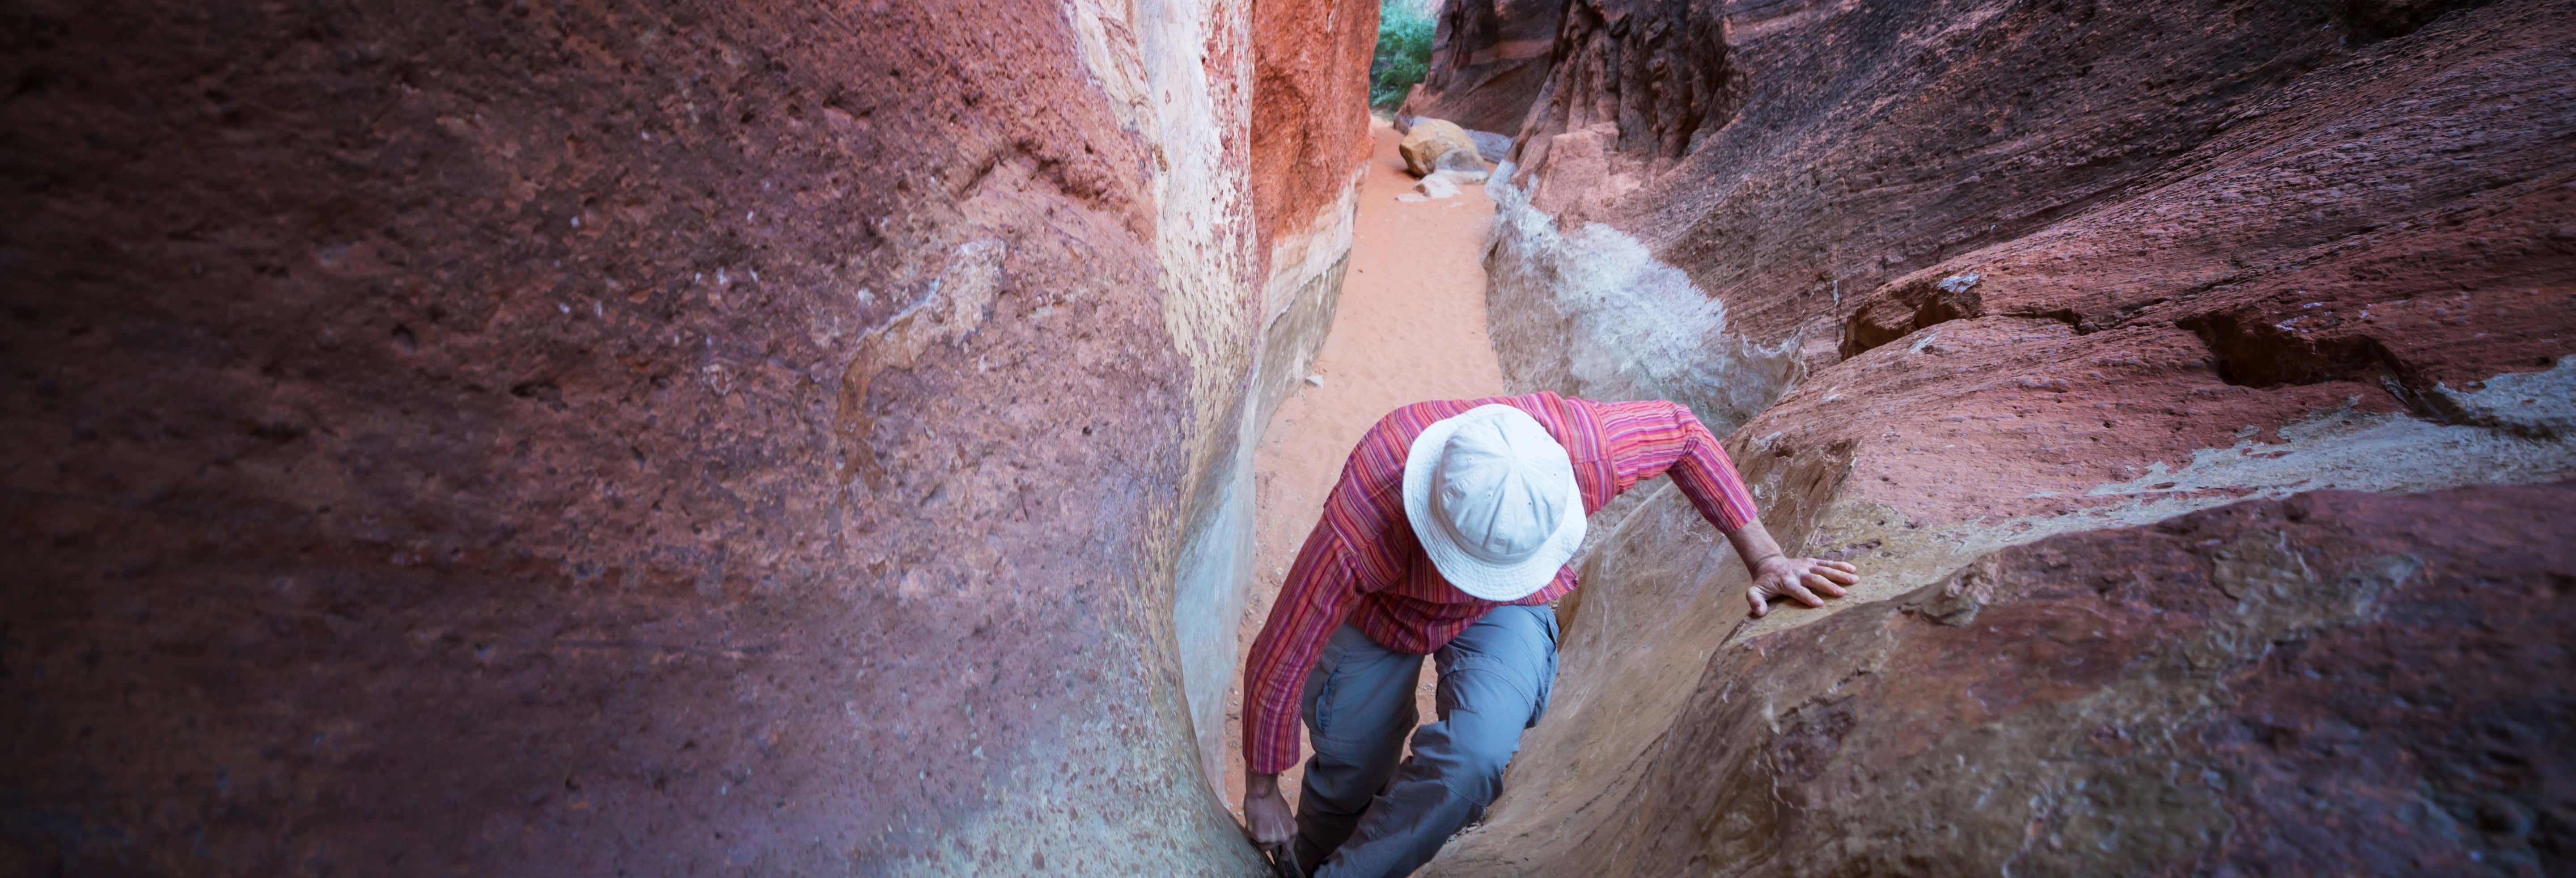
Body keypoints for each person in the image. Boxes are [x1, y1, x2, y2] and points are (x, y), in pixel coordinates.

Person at [1238, 392, 1860, 877]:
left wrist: (1768, 559)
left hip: (1511, 600)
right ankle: (1309, 861)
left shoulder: (1581, 450)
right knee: (1350, 769)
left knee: (1474, 760)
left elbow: (1685, 434)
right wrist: (1263, 789)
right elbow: (1284, 650)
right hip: (1385, 611)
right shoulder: (1366, 513)